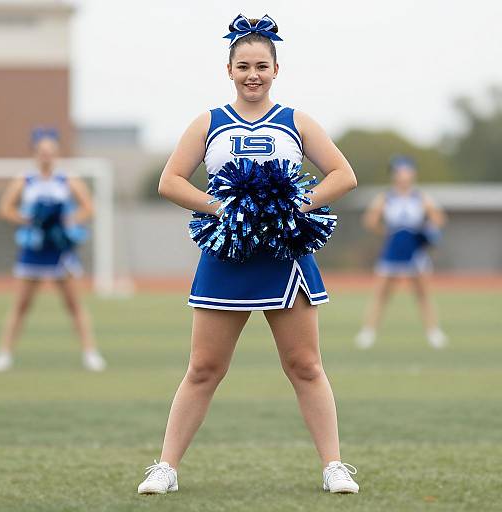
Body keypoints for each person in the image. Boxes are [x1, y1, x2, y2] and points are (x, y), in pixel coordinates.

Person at [137, 14, 359, 495]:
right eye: (243, 66)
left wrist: (295, 204)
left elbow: (343, 175)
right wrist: (222, 208)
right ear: (229, 70)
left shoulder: (297, 120)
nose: (252, 74)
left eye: (262, 65)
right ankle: (166, 468)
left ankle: (334, 466)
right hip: (228, 255)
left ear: (276, 70)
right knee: (203, 368)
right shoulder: (209, 121)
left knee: (305, 365)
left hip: (284, 254)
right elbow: (170, 181)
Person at [0, 131, 106, 372]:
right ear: (35, 154)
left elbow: (88, 209)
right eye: (42, 152)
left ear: (57, 154)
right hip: (33, 248)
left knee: (73, 305)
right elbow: (5, 209)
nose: (46, 157)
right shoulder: (26, 180)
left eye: (51, 152)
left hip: (60, 251)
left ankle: (90, 353)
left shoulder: (67, 180)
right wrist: (30, 219)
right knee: (21, 305)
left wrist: (66, 222)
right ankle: (4, 354)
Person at [355, 155, 448, 349]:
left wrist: (426, 232)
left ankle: (433, 332)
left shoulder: (420, 197)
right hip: (392, 251)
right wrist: (386, 232)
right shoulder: (386, 197)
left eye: (407, 171)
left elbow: (438, 218)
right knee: (381, 294)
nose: (403, 176)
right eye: (399, 172)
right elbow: (370, 220)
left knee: (422, 294)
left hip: (414, 252)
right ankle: (368, 332)